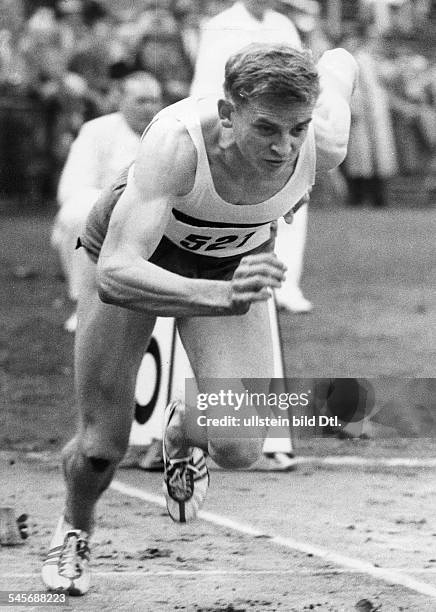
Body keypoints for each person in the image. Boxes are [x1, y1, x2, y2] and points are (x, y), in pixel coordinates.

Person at [42, 42, 357, 595]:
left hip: (229, 264)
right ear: (229, 114)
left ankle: (184, 430)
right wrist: (216, 296)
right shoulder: (176, 142)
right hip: (132, 257)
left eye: (296, 129)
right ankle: (75, 529)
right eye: (266, 130)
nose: (284, 149)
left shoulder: (323, 138)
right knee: (100, 448)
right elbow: (117, 274)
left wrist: (324, 70)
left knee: (239, 446)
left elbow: (341, 62)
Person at [190, 0, 313, 313]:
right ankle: (238, 282)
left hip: (281, 127)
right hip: (241, 131)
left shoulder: (284, 26)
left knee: (291, 206)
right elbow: (206, 86)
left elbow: (301, 85)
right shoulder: (219, 25)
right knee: (238, 211)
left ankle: (285, 287)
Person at [51, 71, 163, 331]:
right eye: (141, 101)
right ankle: (84, 303)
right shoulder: (96, 130)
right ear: (120, 100)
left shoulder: (170, 129)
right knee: (76, 214)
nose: (150, 108)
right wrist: (118, 208)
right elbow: (71, 189)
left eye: (154, 100)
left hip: (158, 216)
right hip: (104, 215)